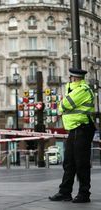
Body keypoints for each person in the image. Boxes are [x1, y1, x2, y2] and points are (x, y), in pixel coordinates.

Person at [49, 67, 95, 203]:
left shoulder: (83, 90)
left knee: (81, 163)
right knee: (69, 162)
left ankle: (84, 193)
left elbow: (64, 105)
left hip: (82, 128)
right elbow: (64, 105)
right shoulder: (75, 90)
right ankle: (65, 192)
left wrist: (61, 105)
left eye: (70, 78)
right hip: (74, 130)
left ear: (73, 78)